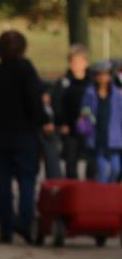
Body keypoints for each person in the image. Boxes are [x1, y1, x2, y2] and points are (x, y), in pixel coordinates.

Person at [0, 29, 48, 243]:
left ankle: (6, 229)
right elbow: (35, 102)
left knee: (2, 185)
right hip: (24, 135)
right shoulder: (27, 72)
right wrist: (41, 123)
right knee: (27, 180)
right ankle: (24, 221)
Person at [53, 45, 94, 180]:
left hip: (90, 128)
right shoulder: (64, 82)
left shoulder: (93, 82)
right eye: (72, 61)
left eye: (78, 61)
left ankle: (90, 188)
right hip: (70, 128)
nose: (75, 65)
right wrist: (62, 123)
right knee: (70, 162)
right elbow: (58, 104)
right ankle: (73, 190)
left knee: (91, 160)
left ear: (85, 62)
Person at [78, 61, 122, 183]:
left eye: (106, 74)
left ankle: (109, 190)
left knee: (116, 169)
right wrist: (86, 116)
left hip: (113, 136)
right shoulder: (90, 92)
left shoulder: (117, 94)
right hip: (97, 136)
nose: (103, 78)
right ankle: (101, 194)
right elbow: (84, 109)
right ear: (95, 76)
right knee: (101, 170)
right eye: (100, 75)